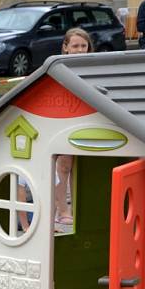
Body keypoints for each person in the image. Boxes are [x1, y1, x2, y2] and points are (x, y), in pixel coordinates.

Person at [54, 28, 93, 226]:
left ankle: (81, 208)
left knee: (83, 166)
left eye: (83, 46)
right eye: (75, 46)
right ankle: (62, 210)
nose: (79, 50)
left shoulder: (93, 68)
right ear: (66, 47)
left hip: (87, 121)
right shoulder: (57, 67)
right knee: (64, 165)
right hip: (63, 120)